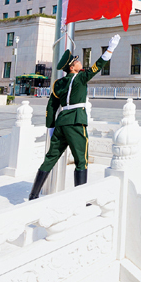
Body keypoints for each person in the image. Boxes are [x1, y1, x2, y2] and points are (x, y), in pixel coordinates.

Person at [29, 35, 120, 201]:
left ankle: (33, 194)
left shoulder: (58, 83)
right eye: (77, 61)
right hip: (76, 122)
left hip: (61, 123)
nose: (80, 63)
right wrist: (110, 49)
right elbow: (97, 67)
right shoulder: (80, 78)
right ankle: (81, 199)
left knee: (50, 158)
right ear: (72, 67)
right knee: (81, 160)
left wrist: (50, 127)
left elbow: (51, 106)